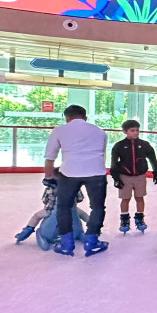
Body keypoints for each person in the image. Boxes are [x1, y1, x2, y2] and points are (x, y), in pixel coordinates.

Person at [43, 104, 110, 257]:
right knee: (97, 207)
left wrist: (48, 177)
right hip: (96, 172)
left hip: (69, 172)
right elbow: (102, 154)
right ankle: (91, 242)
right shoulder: (99, 132)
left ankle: (67, 244)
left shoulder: (60, 130)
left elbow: (50, 157)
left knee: (64, 207)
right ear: (85, 117)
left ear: (67, 118)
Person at [109, 119, 157, 234]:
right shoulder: (119, 146)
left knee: (139, 197)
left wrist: (156, 172)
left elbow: (152, 158)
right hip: (125, 176)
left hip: (140, 176)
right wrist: (116, 178)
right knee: (125, 198)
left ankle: (140, 218)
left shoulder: (144, 145)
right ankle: (124, 219)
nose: (136, 132)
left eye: (137, 130)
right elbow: (113, 163)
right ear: (125, 131)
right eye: (132, 130)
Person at [14, 169, 85, 243]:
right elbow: (80, 199)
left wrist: (50, 204)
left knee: (36, 216)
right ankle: (92, 228)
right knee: (83, 214)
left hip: (50, 210)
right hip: (70, 209)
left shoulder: (49, 188)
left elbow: (45, 200)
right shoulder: (75, 188)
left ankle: (28, 230)